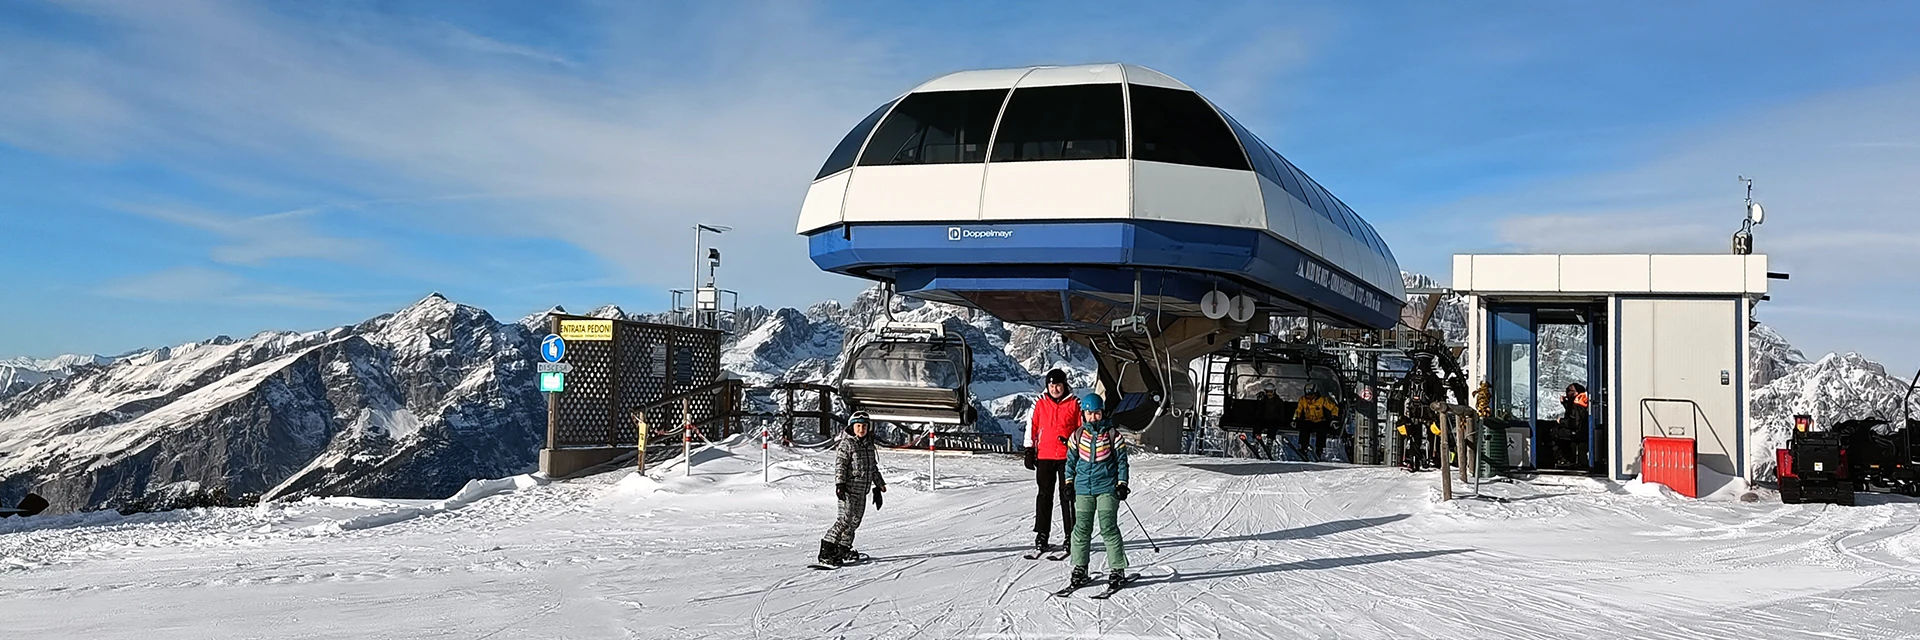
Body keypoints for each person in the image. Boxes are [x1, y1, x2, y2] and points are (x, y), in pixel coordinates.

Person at [1064, 393, 1131, 591]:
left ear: (1103, 413)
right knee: (1081, 528)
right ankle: (1080, 567)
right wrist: (1068, 483)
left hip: (1107, 488)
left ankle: (1117, 569)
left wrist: (1122, 484)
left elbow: (1122, 462)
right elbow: (1070, 462)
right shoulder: (1077, 436)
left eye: (1097, 413)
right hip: (1083, 488)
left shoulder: (1113, 436)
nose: (1093, 417)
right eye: (1089, 413)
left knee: (1108, 527)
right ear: (1083, 414)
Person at [816, 411, 886, 568]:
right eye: (858, 426)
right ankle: (826, 551)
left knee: (855, 522)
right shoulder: (847, 444)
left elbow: (872, 467)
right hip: (848, 490)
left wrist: (879, 484)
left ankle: (843, 548)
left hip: (862, 491)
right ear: (852, 427)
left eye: (864, 426)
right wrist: (840, 484)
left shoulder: (869, 446)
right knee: (844, 520)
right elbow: (840, 465)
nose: (861, 429)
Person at [1024, 369, 1080, 555]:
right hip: (1045, 455)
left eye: (1058, 385)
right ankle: (1042, 534)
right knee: (1044, 495)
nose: (1055, 389)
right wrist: (1029, 449)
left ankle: (1071, 535)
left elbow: (1081, 429)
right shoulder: (1039, 402)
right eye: (1052, 385)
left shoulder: (1075, 403)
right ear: (1047, 386)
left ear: (1065, 385)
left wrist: (1080, 450)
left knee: (1068, 496)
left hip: (1067, 457)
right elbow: (1032, 426)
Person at [1293, 382, 1340, 462]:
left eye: (1311, 395)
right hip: (1308, 420)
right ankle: (1303, 447)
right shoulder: (1303, 400)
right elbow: (1298, 410)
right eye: (1307, 395)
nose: (1309, 397)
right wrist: (1295, 419)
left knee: (1322, 429)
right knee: (1304, 427)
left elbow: (1334, 408)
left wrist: (1334, 418)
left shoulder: (1322, 400)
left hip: (1320, 420)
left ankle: (1319, 449)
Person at [1557, 383, 1590, 468]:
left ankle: (1566, 459)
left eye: (1569, 390)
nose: (1566, 393)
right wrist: (1565, 403)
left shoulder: (1578, 404)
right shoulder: (1579, 402)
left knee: (1555, 433)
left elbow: (1575, 422)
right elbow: (1574, 413)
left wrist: (1562, 421)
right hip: (1582, 431)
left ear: (1576, 393)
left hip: (1578, 432)